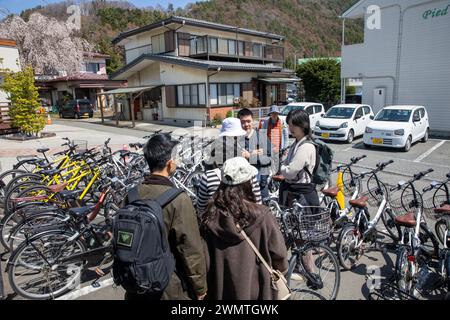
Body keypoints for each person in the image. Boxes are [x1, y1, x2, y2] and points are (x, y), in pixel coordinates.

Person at [124, 133, 207, 300]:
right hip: (167, 285)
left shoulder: (132, 195)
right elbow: (190, 249)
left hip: (135, 281)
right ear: (170, 164)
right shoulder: (178, 199)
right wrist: (200, 287)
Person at [201, 157, 288, 300]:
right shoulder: (262, 215)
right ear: (248, 183)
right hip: (258, 288)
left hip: (221, 289)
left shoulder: (210, 215)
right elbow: (279, 254)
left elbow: (204, 259)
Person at [196, 117, 262, 216]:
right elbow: (258, 205)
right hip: (245, 224)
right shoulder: (250, 175)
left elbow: (201, 209)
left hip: (219, 228)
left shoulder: (208, 178)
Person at [274, 109, 318, 208]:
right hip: (295, 193)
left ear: (303, 125)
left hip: (302, 196)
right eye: (289, 125)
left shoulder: (305, 146)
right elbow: (287, 164)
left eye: (294, 125)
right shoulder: (296, 143)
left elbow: (290, 172)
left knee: (299, 223)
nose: (290, 128)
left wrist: (282, 167)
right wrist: (285, 166)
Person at [238, 108, 274, 200]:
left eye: (248, 121)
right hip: (242, 187)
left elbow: (269, 159)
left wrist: (250, 156)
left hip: (260, 185)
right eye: (243, 122)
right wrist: (255, 153)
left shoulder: (261, 136)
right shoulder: (236, 139)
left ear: (253, 121)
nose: (246, 124)